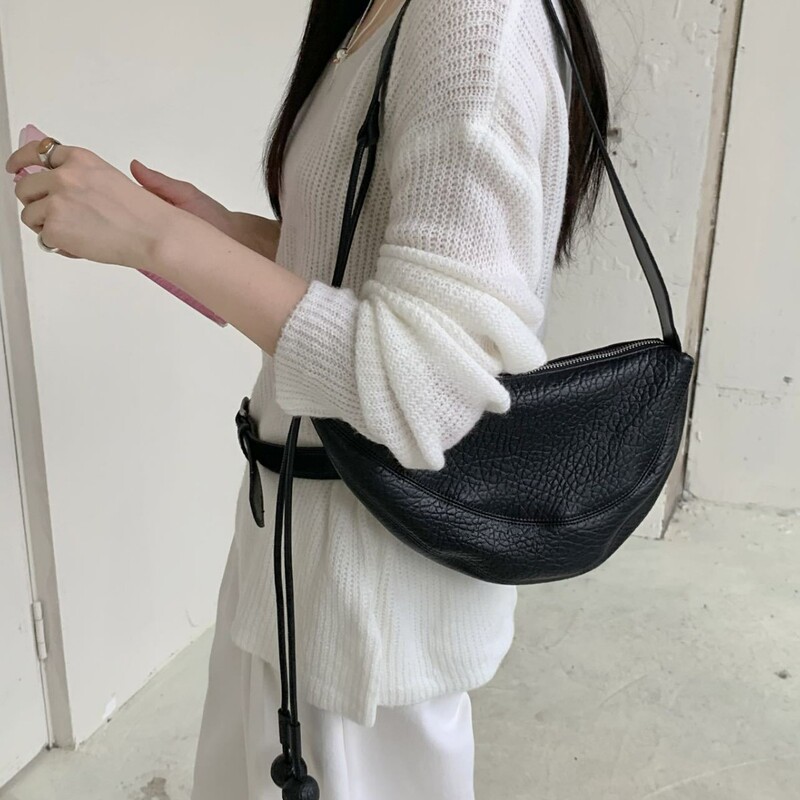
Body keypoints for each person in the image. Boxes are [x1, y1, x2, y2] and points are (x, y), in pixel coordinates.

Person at [6, 0, 609, 796]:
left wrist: (160, 237)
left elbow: (428, 381)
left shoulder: (473, 22)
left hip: (359, 626)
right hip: (300, 568)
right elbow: (357, 263)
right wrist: (215, 235)